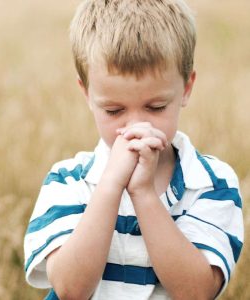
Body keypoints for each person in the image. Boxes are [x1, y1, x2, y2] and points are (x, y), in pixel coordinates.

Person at [23, 0, 244, 299]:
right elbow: (70, 290)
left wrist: (144, 194)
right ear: (87, 94)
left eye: (156, 107)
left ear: (186, 88)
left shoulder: (211, 183)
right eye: (114, 111)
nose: (136, 126)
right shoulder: (68, 181)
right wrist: (110, 186)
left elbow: (197, 292)